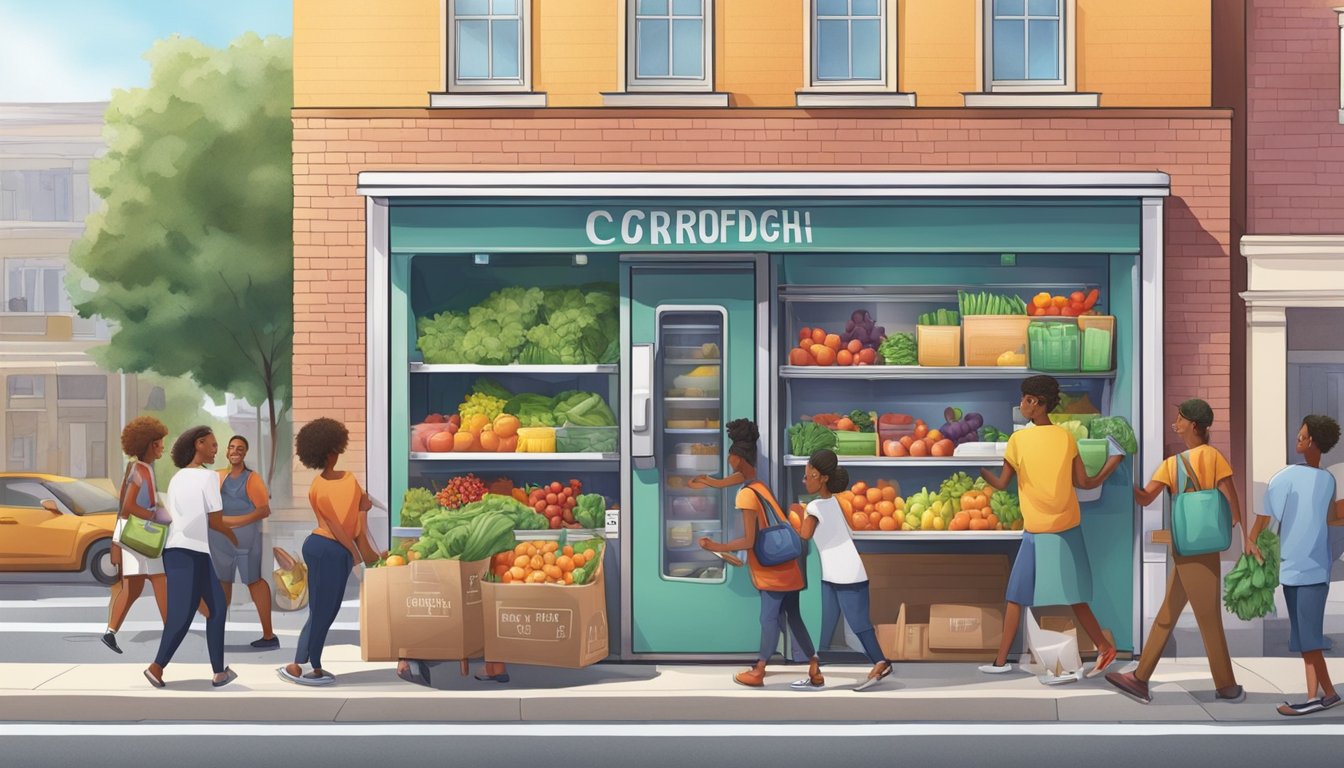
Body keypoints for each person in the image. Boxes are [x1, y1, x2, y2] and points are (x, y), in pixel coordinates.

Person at [978, 375, 1124, 680]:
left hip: (1037, 531)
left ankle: (1102, 647)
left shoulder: (1018, 440)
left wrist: (979, 466)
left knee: (1019, 595)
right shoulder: (1065, 438)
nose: (1022, 404)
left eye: (1025, 399)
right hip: (1064, 528)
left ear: (1037, 403)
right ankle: (1002, 660)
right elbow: (1083, 483)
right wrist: (1112, 462)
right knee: (1068, 595)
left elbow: (1002, 483)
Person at [1105, 399, 1245, 703]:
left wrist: (1122, 472)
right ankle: (1142, 679)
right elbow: (1233, 505)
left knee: (1199, 618)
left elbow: (1143, 499)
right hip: (1203, 548)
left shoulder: (1172, 464)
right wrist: (1233, 531)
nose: (1175, 424)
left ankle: (1226, 686)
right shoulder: (1214, 457)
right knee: (1173, 615)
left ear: (1194, 425)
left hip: (1184, 547)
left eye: (1180, 419)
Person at [697, 418, 823, 689]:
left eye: (730, 457)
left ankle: (759, 670)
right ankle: (814, 667)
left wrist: (714, 546)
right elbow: (733, 480)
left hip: (772, 571)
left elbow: (748, 541)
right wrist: (710, 482)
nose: (729, 461)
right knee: (794, 617)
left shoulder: (745, 496)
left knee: (767, 618)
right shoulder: (760, 486)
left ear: (737, 459)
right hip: (790, 567)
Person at [1245, 414, 1342, 716]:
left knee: (1309, 636)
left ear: (1311, 440)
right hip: (1298, 569)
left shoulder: (1311, 478)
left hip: (1308, 569)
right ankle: (1322, 695)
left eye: (1301, 435)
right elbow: (1266, 515)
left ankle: (1321, 696)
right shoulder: (1304, 478)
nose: (1297, 439)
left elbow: (1267, 516)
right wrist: (1251, 542)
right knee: (1304, 636)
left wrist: (1252, 539)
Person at [279, 417, 378, 686]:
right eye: (334, 449)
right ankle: (299, 664)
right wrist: (356, 554)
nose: (336, 453)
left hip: (327, 549)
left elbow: (356, 519)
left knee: (324, 609)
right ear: (330, 452)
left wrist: (363, 509)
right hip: (329, 548)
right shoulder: (330, 485)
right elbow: (336, 525)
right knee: (323, 610)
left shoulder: (335, 482)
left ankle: (315, 665)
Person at [144, 426, 238, 688]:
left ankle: (219, 672)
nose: (216, 450)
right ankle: (156, 667)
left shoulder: (178, 478)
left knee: (217, 608)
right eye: (212, 444)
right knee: (182, 614)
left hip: (188, 551)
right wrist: (234, 536)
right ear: (198, 444)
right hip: (187, 552)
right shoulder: (208, 478)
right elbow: (216, 521)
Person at [798, 449, 893, 691]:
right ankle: (815, 673)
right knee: (824, 626)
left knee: (859, 624)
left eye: (810, 475)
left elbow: (804, 535)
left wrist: (792, 514)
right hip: (832, 574)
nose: (805, 479)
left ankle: (881, 662)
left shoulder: (816, 506)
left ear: (823, 478)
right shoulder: (836, 503)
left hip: (847, 574)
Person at [102, 416, 170, 654]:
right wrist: (155, 515)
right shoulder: (141, 470)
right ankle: (171, 630)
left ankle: (110, 632)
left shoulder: (140, 468)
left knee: (133, 588)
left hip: (130, 533)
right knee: (160, 580)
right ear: (152, 444)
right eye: (161, 442)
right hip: (139, 533)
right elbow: (129, 506)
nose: (163, 446)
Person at [211, 435, 278, 649]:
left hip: (246, 540)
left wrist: (233, 522)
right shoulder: (217, 476)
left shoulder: (252, 479)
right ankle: (217, 636)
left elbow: (264, 510)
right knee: (222, 583)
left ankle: (269, 636)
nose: (235, 451)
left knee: (254, 581)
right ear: (226, 451)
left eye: (240, 448)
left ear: (245, 453)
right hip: (220, 541)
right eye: (231, 447)